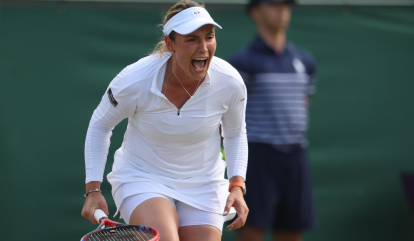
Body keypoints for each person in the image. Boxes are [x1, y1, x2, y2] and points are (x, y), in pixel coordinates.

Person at [81, 1, 249, 240]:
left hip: (204, 183)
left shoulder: (230, 82)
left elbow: (234, 133)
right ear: (170, 44)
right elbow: (100, 125)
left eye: (209, 37)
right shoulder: (134, 80)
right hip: (143, 177)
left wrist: (237, 186)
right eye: (191, 39)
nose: (203, 47)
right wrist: (93, 189)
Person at [229, 1, 317, 241]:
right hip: (258, 158)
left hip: (295, 157)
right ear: (255, 12)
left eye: (286, 4)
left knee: (291, 230)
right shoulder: (242, 62)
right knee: (251, 229)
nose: (282, 10)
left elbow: (303, 102)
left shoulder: (305, 62)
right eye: (273, 4)